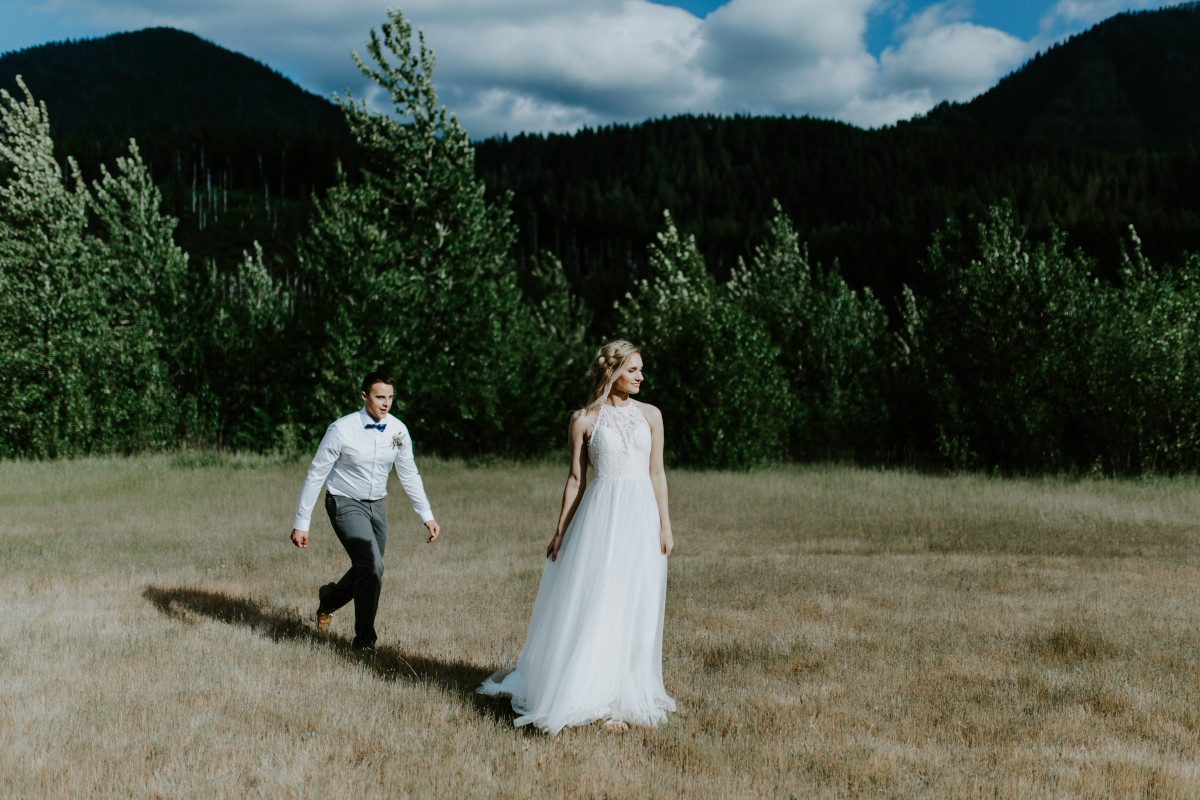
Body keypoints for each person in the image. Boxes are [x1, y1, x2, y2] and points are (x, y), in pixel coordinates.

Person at [478, 340, 675, 734]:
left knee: (637, 604)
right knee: (601, 600)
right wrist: (560, 531)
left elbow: (657, 473)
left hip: (640, 519)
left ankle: (625, 696)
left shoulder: (651, 415)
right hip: (600, 519)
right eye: (633, 370)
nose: (640, 377)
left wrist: (665, 526)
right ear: (612, 372)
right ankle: (594, 693)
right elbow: (575, 480)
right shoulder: (584, 420)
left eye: (640, 370)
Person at [290, 372, 440, 652]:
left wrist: (426, 514)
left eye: (390, 397)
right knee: (372, 567)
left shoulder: (398, 430)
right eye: (380, 397)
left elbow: (409, 474)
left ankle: (329, 599)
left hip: (377, 506)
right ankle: (365, 641)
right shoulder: (341, 429)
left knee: (368, 569)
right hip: (344, 502)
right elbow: (316, 473)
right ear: (364, 396)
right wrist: (302, 521)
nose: (386, 403)